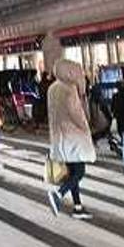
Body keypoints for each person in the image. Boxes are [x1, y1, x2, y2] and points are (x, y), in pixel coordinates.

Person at [46, 58, 96, 220]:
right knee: (79, 172)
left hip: (60, 137)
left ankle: (78, 206)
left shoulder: (52, 88)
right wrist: (85, 126)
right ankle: (58, 194)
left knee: (72, 173)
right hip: (73, 136)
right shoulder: (69, 89)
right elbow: (77, 115)